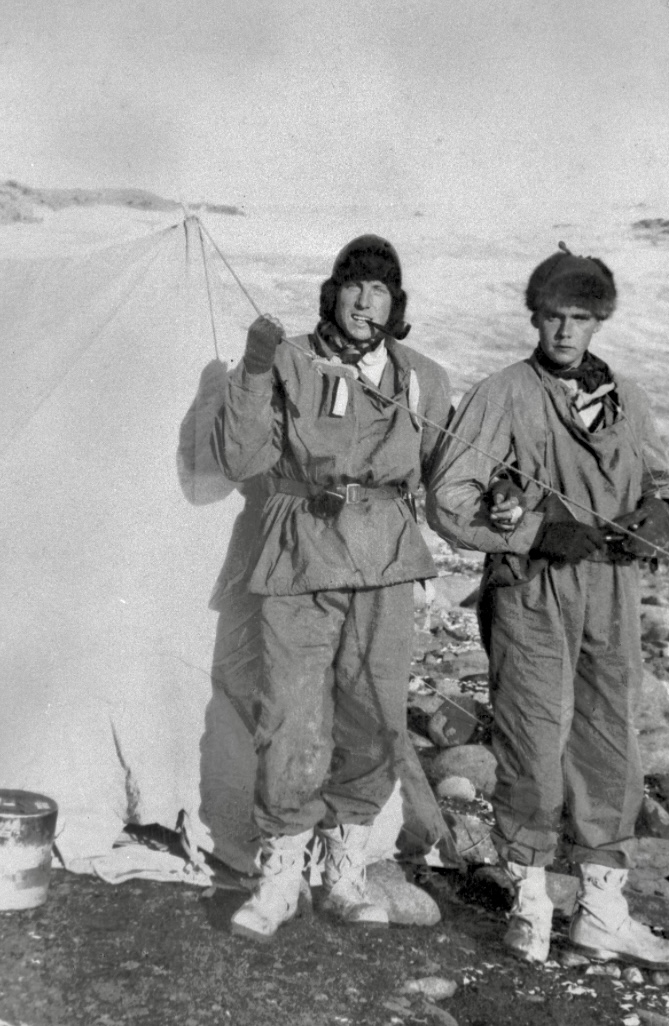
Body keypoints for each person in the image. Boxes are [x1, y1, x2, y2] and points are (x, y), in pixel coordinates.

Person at [425, 246, 669, 970]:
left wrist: (659, 514)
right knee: (534, 740)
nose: (566, 332)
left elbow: (662, 475)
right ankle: (532, 902)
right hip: (534, 590)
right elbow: (449, 499)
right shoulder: (504, 393)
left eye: (581, 318)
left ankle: (604, 911)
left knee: (610, 741)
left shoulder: (627, 398)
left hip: (612, 590)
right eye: (553, 317)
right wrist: (539, 528)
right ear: (534, 317)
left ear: (599, 320)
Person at [211, 235, 453, 941]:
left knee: (374, 714)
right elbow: (240, 455)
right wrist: (255, 373)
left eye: (378, 288)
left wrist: (499, 508)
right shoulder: (287, 359)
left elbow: (450, 480)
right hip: (300, 554)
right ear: (333, 292)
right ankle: (281, 874)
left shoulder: (423, 379)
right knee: (289, 714)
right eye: (351, 284)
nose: (362, 299)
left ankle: (343, 870)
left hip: (385, 562)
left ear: (395, 304)